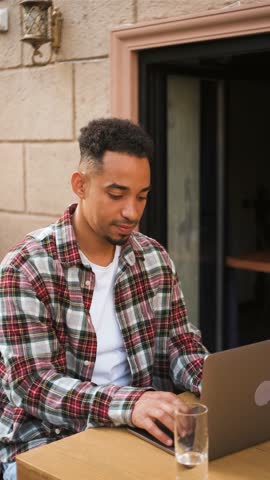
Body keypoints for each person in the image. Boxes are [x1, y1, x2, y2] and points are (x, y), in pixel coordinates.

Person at [0, 118, 208, 480]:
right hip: (47, 439)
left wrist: (218, 382)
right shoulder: (25, 267)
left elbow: (180, 344)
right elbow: (33, 384)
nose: (132, 211)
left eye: (142, 196)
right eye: (117, 195)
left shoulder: (154, 258)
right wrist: (130, 404)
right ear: (80, 185)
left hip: (137, 430)